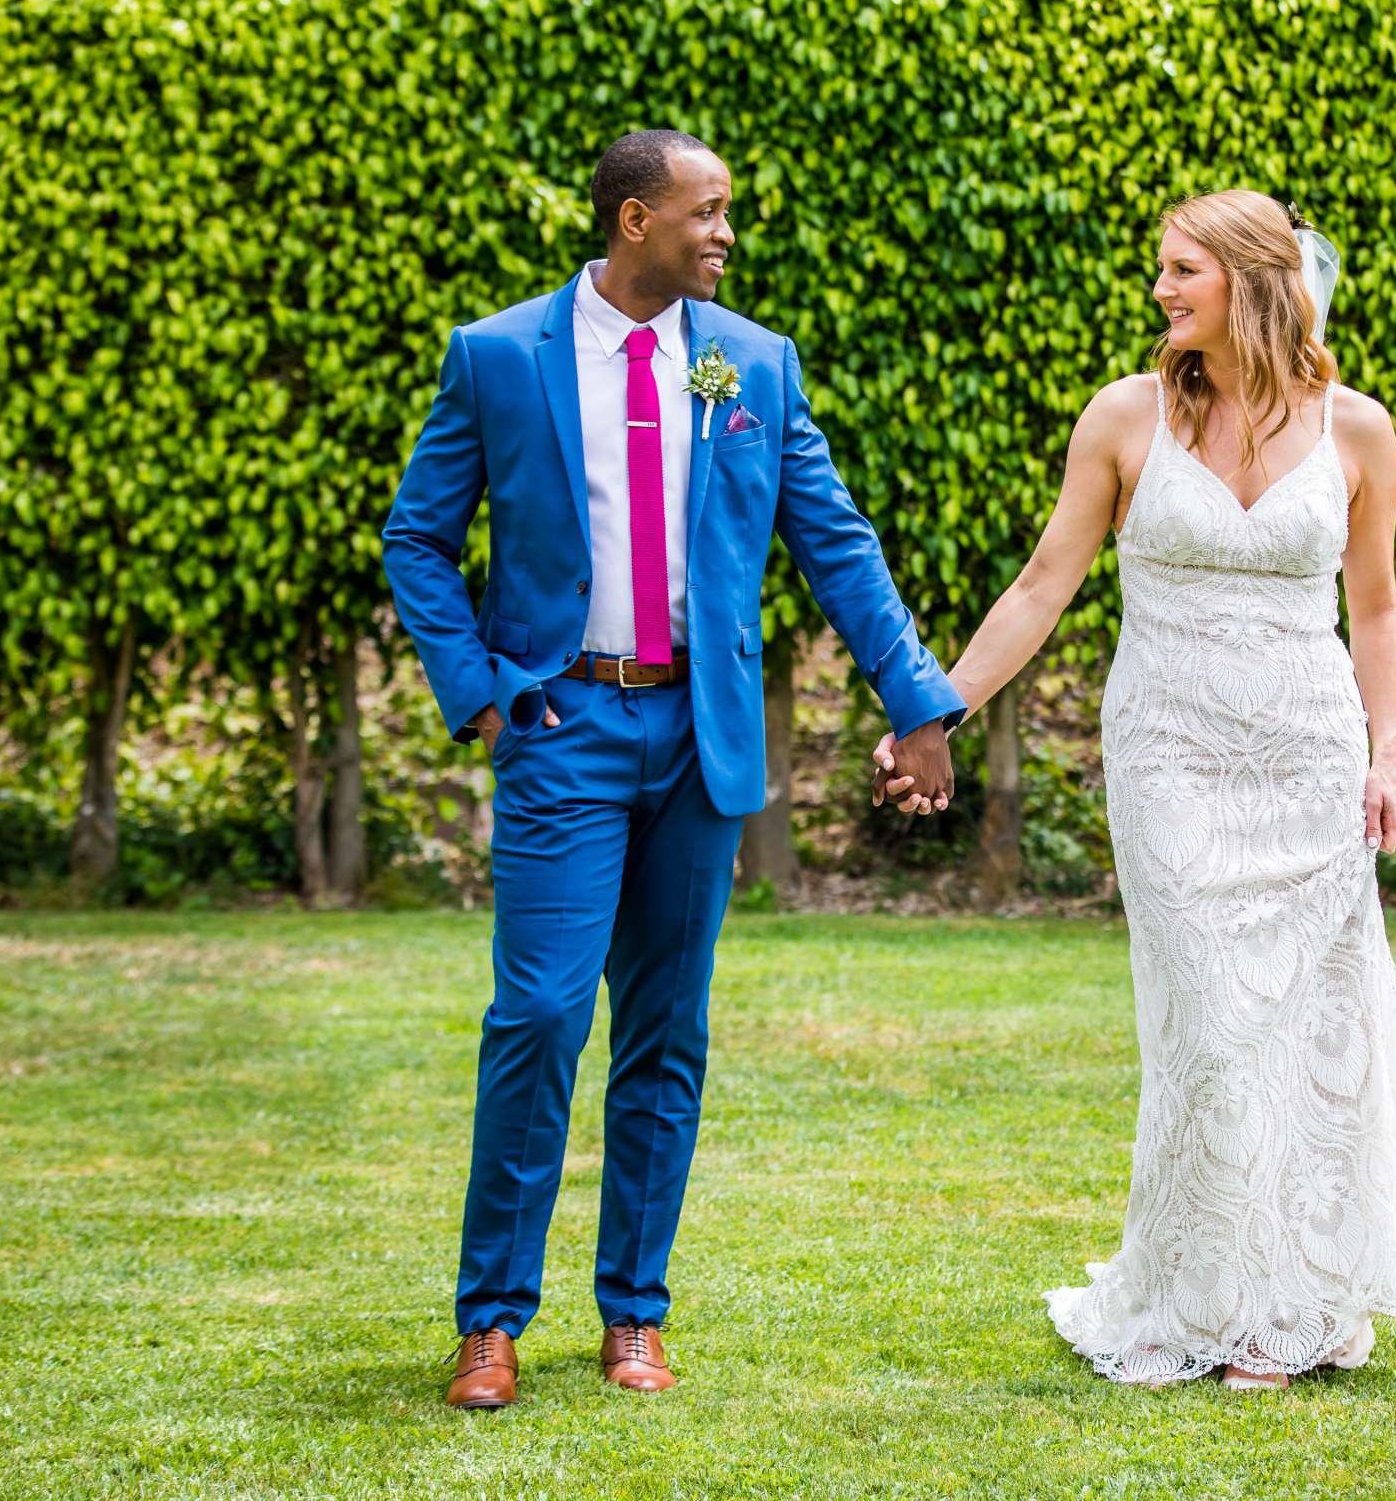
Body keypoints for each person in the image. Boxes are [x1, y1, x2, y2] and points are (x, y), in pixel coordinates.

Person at [384, 129, 965, 1408]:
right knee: (538, 1014)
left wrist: (920, 701)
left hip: (699, 743)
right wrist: (479, 693)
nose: (726, 235)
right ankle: (491, 1321)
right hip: (559, 729)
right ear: (634, 220)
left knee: (667, 1032)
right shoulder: (496, 356)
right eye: (707, 214)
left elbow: (836, 543)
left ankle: (633, 1315)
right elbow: (417, 539)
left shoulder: (750, 361)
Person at [874, 190, 1396, 1388]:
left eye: (1184, 269)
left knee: (1306, 1027)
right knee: (1214, 1024)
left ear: (1252, 278)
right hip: (1170, 755)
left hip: (1307, 756)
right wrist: (938, 707)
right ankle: (1211, 1299)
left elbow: (1378, 608)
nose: (1162, 289)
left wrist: (1387, 755)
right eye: (1161, 269)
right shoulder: (1125, 418)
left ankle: (1296, 1302)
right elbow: (1042, 584)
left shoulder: (1359, 431)